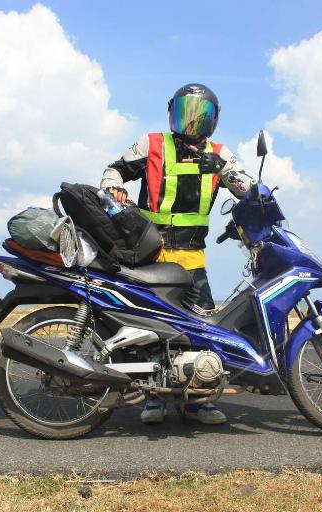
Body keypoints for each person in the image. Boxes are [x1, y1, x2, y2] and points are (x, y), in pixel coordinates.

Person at [100, 83, 254, 425]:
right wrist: (114, 187)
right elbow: (114, 170)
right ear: (172, 113)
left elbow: (249, 189)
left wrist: (223, 169)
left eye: (201, 117)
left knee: (204, 331)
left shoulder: (220, 153)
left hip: (192, 257)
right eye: (186, 113)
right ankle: (151, 398)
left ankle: (196, 402)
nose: (192, 123)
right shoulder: (152, 143)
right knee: (151, 328)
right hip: (151, 255)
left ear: (213, 122)